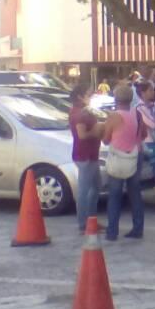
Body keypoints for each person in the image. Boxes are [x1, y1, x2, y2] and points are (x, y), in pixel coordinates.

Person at [102, 84, 145, 241]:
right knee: (135, 193)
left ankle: (112, 231)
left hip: (118, 157)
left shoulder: (113, 117)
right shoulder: (138, 114)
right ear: (131, 98)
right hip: (135, 154)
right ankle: (138, 228)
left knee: (114, 195)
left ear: (116, 99)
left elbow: (106, 140)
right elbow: (144, 133)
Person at [69, 84, 104, 233]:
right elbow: (82, 135)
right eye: (88, 94)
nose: (90, 97)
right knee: (85, 190)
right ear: (80, 96)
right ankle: (84, 223)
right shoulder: (79, 114)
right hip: (85, 155)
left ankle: (91, 219)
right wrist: (96, 132)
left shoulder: (83, 112)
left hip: (91, 153)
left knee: (95, 187)